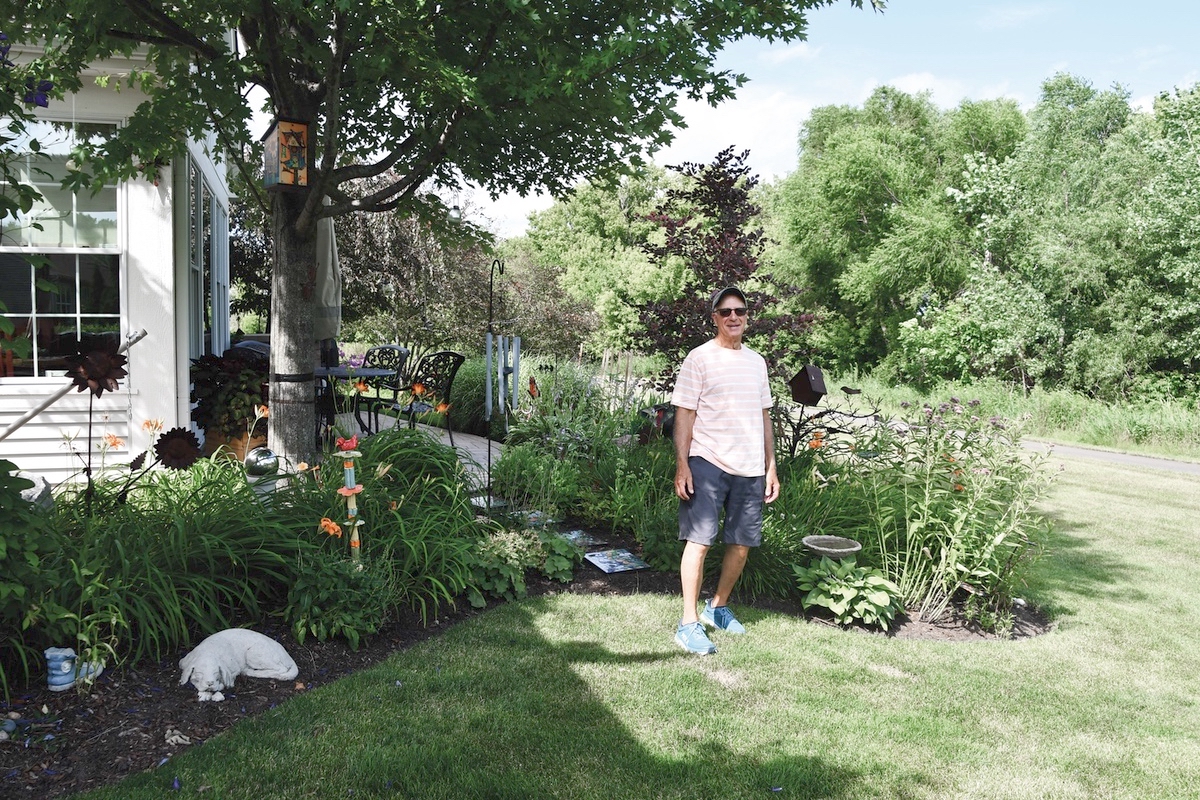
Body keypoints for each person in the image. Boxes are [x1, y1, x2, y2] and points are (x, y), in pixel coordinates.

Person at [670, 286, 779, 655]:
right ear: (714, 317)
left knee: (742, 545)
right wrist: (683, 465)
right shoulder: (699, 358)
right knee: (699, 542)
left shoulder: (757, 362)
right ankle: (687, 624)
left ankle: (716, 607)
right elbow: (685, 413)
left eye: (741, 311)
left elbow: (764, 415)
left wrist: (771, 466)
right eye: (726, 311)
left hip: (750, 469)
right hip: (708, 461)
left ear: (747, 317)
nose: (734, 317)